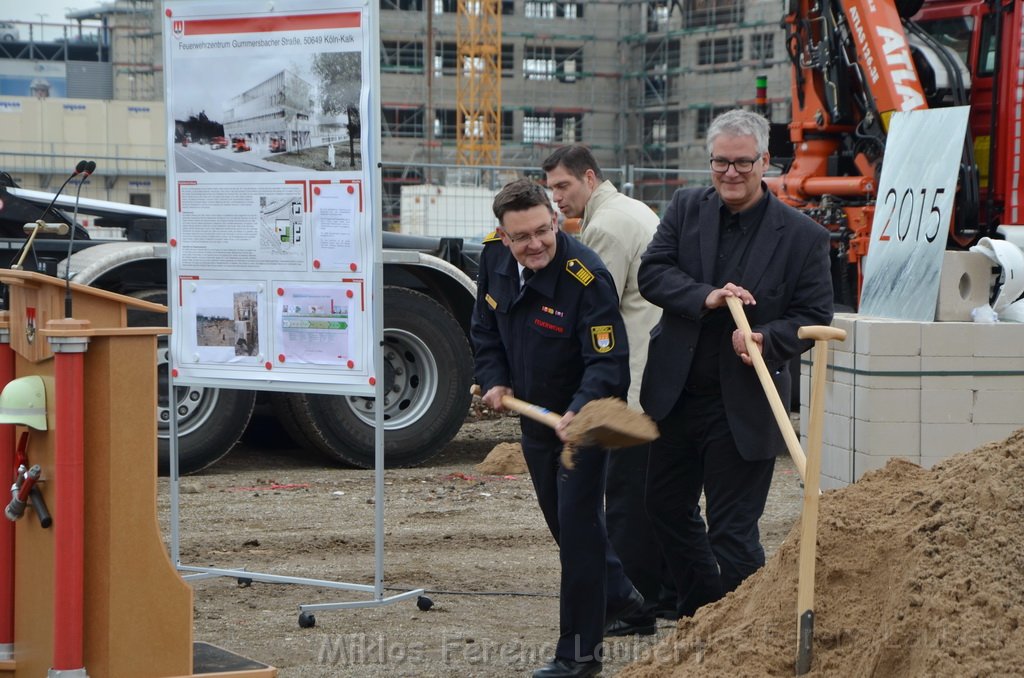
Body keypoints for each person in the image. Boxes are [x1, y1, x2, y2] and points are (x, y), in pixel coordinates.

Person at [638, 109, 833, 618]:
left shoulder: (802, 236)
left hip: (744, 405)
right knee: (662, 507)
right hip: (677, 395)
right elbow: (653, 273)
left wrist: (768, 339)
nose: (730, 173)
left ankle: (754, 629)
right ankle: (708, 613)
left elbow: (813, 317)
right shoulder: (685, 208)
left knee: (732, 531)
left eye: (743, 163)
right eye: (720, 162)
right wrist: (705, 296)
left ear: (766, 161)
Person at [471, 178, 643, 678]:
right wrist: (494, 379)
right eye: (522, 237)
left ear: (555, 218)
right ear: (502, 236)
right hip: (535, 420)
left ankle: (578, 658)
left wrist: (583, 408)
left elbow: (608, 362)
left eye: (544, 230)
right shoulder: (493, 260)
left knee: (580, 534)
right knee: (565, 527)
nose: (535, 244)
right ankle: (623, 599)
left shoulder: (586, 276)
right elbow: (485, 327)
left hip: (581, 424)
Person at [542, 145, 673, 636]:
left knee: (623, 499)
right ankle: (662, 594)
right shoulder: (630, 209)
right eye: (551, 189)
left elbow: (597, 306)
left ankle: (633, 602)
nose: (557, 199)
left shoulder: (606, 227)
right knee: (647, 495)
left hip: (631, 379)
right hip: (649, 371)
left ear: (589, 177)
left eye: (563, 186)